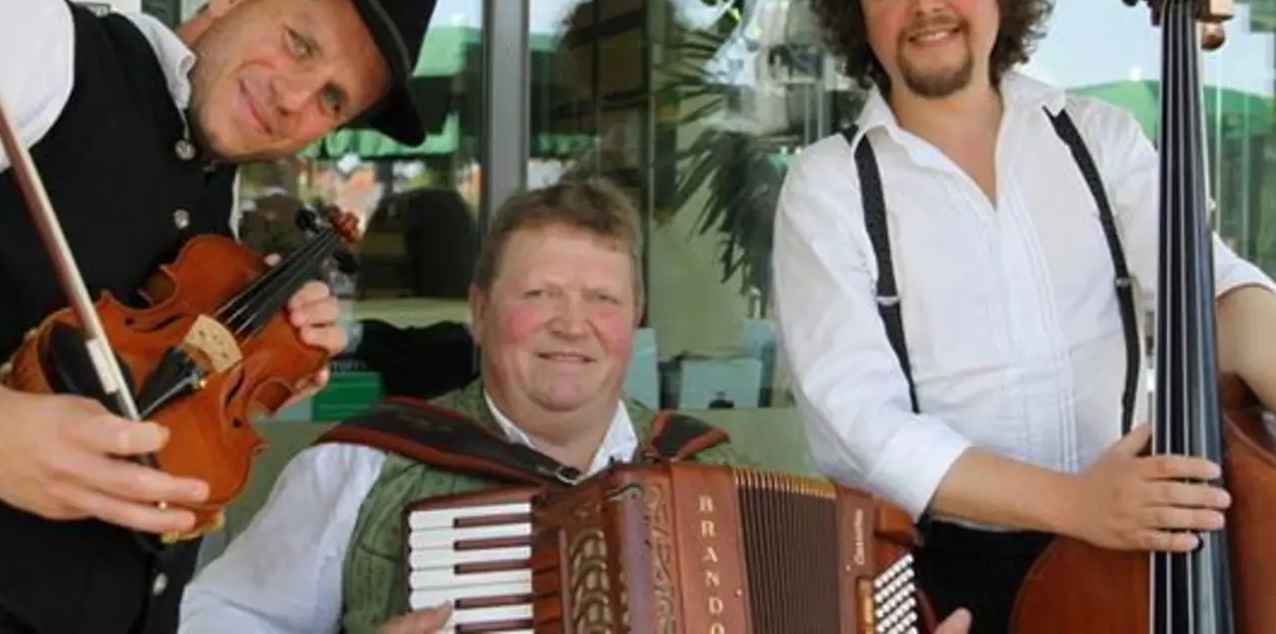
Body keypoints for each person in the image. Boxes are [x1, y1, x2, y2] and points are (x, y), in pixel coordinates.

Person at [0, 0, 440, 634]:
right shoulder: (41, 41)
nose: (292, 98)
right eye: (298, 43)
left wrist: (243, 377)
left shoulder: (216, 211)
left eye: (331, 100)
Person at [771, 0, 1276, 633]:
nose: (925, 3)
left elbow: (1217, 293)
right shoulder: (828, 185)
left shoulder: (1097, 138)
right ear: (859, 13)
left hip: (1135, 554)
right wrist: (1078, 505)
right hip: (948, 576)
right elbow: (861, 426)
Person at [181, 179, 974, 633]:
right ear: (481, 311)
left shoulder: (719, 478)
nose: (572, 324)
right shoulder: (362, 467)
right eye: (540, 295)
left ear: (633, 320)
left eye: (601, 299)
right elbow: (212, 618)